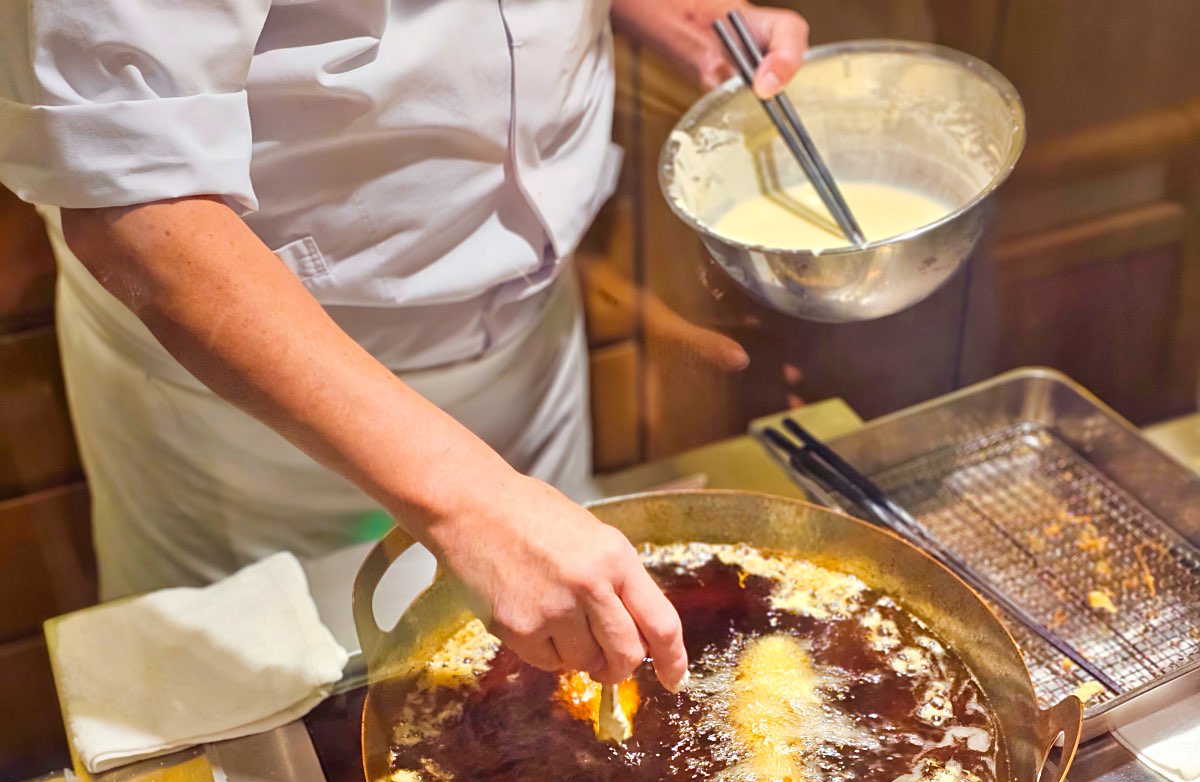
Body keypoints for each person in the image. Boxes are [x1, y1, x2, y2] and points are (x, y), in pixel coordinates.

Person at [0, 1, 808, 691]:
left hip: (528, 346)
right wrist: (472, 500)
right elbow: (134, 206)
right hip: (244, 418)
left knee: (561, 699)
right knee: (275, 736)